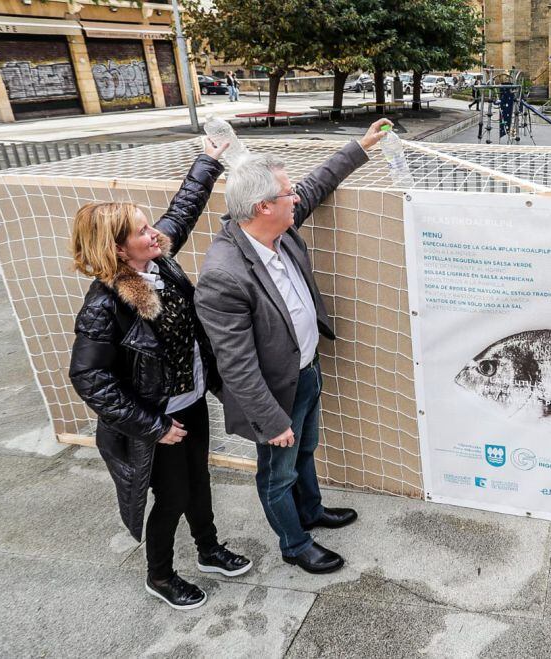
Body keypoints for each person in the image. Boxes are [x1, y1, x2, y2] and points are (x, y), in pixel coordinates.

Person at [194, 118, 393, 574]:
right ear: (263, 207)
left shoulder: (273, 229)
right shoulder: (224, 274)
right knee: (276, 472)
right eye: (287, 194)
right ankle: (295, 542)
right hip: (272, 393)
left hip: (306, 370)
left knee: (306, 451)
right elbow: (237, 365)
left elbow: (315, 184)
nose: (296, 197)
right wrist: (270, 420)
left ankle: (312, 509)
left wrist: (359, 146)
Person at [68, 136, 252, 610]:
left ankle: (209, 549)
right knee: (171, 497)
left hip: (189, 401)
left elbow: (183, 211)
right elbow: (89, 379)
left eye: (151, 227)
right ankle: (161, 575)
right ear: (117, 248)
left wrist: (208, 161)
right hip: (155, 421)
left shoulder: (159, 261)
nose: (155, 233)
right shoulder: (104, 305)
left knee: (200, 481)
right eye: (142, 231)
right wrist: (153, 426)